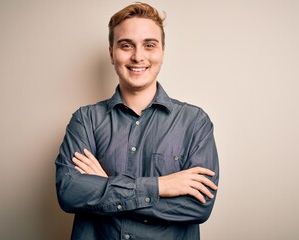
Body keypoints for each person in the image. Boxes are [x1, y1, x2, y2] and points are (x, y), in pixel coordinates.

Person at [55, 2, 219, 240]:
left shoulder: (195, 123)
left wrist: (107, 186)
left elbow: (199, 207)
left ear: (162, 51)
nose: (138, 56)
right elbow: (69, 193)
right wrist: (160, 187)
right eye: (126, 45)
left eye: (149, 45)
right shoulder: (85, 120)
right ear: (111, 53)